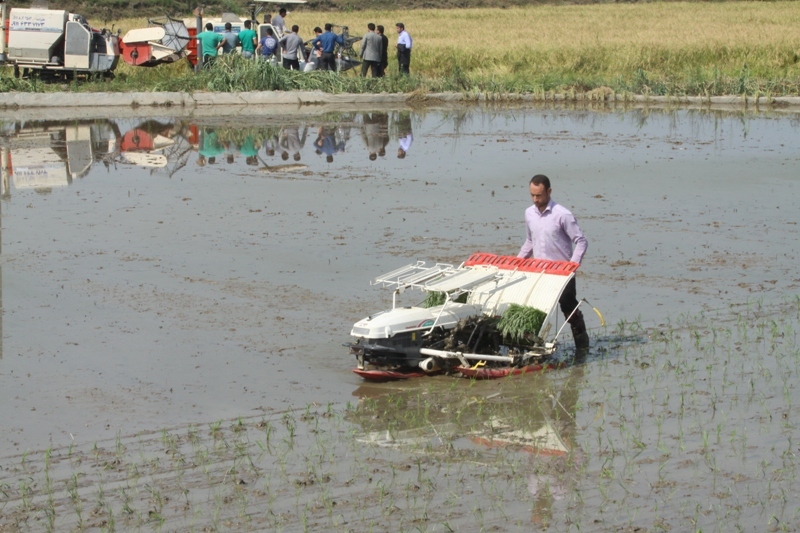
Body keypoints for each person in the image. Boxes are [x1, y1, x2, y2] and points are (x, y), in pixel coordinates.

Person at [517, 174, 590, 350]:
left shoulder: (562, 215)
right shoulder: (529, 213)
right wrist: (518, 261)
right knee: (536, 309)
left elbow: (581, 241)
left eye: (539, 195)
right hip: (540, 272)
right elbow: (530, 241)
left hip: (562, 273)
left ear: (549, 192)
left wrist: (572, 265)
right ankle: (534, 346)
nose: (535, 199)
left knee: (568, 309)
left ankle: (582, 347)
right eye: (532, 195)